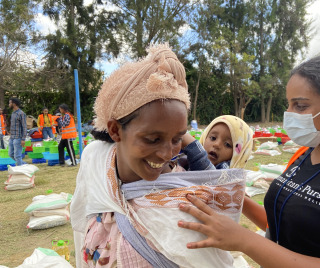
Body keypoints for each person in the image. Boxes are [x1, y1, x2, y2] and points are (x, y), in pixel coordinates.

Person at [177, 54, 320, 267]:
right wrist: (236, 198)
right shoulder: (304, 155)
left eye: (300, 106)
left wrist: (244, 240)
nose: (289, 114)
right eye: (289, 104)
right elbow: (285, 223)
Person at [70, 44, 246, 268]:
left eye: (177, 139)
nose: (166, 154)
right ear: (115, 131)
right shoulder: (96, 160)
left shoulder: (185, 202)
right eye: (153, 139)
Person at [177, 115, 253, 171]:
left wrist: (193, 147)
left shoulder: (228, 174)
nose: (217, 145)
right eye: (213, 138)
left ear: (238, 156)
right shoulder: (187, 160)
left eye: (227, 144)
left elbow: (211, 178)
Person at [8, 97, 27, 166]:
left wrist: (23, 139)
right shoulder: (13, 113)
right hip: (12, 137)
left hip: (18, 138)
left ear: (14, 104)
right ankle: (24, 165)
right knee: (10, 154)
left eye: (10, 103)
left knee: (17, 156)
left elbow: (24, 127)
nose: (9, 104)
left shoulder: (21, 113)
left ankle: (20, 171)